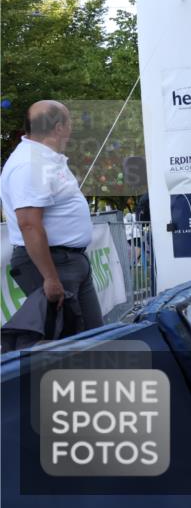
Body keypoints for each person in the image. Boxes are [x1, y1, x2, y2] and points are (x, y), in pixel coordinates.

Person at [0, 101, 103, 351]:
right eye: (69, 122)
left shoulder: (44, 159)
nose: (72, 128)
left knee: (93, 338)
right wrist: (50, 277)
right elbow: (28, 223)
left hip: (68, 261)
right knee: (67, 346)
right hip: (54, 263)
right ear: (59, 127)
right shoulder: (30, 164)